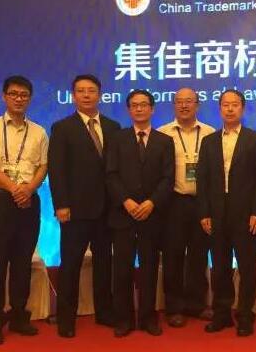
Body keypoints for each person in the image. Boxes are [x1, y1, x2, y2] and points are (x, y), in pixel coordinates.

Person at [0, 75, 48, 345]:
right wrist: (14, 189)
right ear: (4, 96)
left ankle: (19, 316)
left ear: (30, 98)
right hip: (0, 201)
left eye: (24, 95)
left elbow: (43, 166)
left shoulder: (39, 131)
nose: (19, 98)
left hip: (29, 202)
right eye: (14, 94)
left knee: (22, 262)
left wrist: (28, 189)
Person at [48, 74, 120, 337]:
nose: (86, 95)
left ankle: (105, 312)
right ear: (73, 96)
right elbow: (57, 170)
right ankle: (66, 318)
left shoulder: (113, 127)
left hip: (106, 210)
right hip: (75, 211)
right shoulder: (62, 128)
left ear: (100, 94)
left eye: (91, 90)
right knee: (70, 265)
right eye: (81, 91)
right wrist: (61, 205)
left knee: (104, 264)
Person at [196, 89, 256, 337]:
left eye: (235, 104)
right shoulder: (209, 141)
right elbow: (203, 180)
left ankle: (245, 315)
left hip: (247, 215)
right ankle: (222, 314)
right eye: (225, 105)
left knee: (247, 268)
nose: (230, 109)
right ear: (219, 109)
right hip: (217, 214)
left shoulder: (255, 139)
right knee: (219, 267)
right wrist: (204, 213)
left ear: (242, 108)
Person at [105, 90, 175, 338]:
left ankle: (147, 318)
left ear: (152, 109)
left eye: (144, 105)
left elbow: (168, 178)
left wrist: (151, 202)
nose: (139, 109)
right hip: (123, 215)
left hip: (152, 216)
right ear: (128, 110)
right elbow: (110, 174)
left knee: (149, 269)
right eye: (134, 105)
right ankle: (123, 319)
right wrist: (125, 200)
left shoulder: (164, 141)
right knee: (122, 270)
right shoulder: (117, 139)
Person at [158, 87, 215, 327]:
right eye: (179, 101)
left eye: (189, 101)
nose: (184, 105)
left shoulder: (210, 133)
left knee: (199, 255)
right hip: (174, 202)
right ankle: (174, 307)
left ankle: (196, 304)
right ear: (174, 105)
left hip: (202, 202)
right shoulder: (163, 133)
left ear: (197, 105)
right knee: (172, 255)